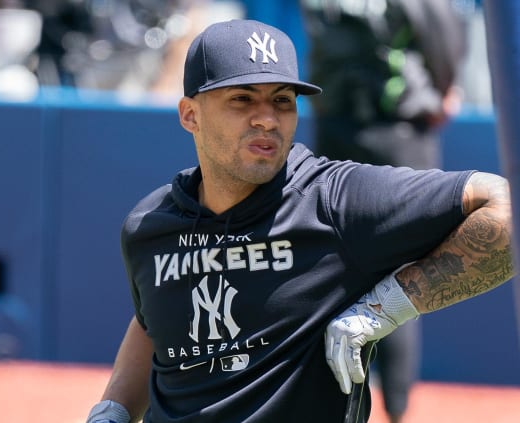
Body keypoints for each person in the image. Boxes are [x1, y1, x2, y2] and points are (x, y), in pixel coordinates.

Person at [85, 19, 513, 423]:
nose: (267, 119)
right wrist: (114, 408)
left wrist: (390, 305)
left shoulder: (335, 201)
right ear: (190, 115)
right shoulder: (148, 225)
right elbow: (152, 320)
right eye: (242, 99)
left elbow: (506, 207)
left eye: (282, 101)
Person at [298, 1, 469, 421]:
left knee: (340, 270)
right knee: (399, 272)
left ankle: (366, 408)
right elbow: (444, 35)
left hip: (342, 127)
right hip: (393, 131)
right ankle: (392, 410)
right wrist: (442, 90)